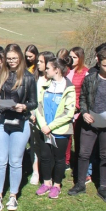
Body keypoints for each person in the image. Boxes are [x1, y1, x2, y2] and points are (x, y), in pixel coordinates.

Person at [0, 44, 37, 211]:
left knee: (16, 161)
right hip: (0, 122)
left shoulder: (28, 78)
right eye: (9, 59)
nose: (11, 62)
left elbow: (34, 102)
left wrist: (24, 107)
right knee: (1, 161)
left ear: (20, 58)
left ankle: (13, 196)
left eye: (14, 58)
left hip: (20, 123)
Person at [68, 47, 106, 204]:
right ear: (99, 63)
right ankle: (80, 184)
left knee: (105, 156)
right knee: (83, 154)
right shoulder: (90, 79)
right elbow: (82, 98)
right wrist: (85, 112)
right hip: (90, 123)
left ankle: (103, 187)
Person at [35, 58, 75, 199]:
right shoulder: (45, 86)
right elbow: (39, 106)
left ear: (57, 70)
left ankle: (57, 185)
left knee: (59, 159)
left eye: (48, 68)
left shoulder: (69, 89)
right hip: (44, 128)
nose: (46, 70)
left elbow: (68, 113)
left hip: (60, 131)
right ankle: (46, 182)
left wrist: (50, 127)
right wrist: (43, 125)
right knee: (45, 157)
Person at [29, 51, 55, 185]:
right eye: (38, 61)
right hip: (34, 117)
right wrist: (32, 114)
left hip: (48, 119)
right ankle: (35, 171)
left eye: (41, 61)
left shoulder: (54, 81)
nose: (37, 63)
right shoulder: (36, 78)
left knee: (48, 146)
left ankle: (48, 171)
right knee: (35, 145)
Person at [65, 47, 89, 173]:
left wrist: (78, 107)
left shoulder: (85, 72)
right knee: (67, 137)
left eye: (75, 57)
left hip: (78, 111)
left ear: (80, 58)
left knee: (78, 138)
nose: (72, 60)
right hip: (66, 109)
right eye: (70, 56)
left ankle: (79, 163)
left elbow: (85, 94)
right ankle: (67, 161)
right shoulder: (66, 70)